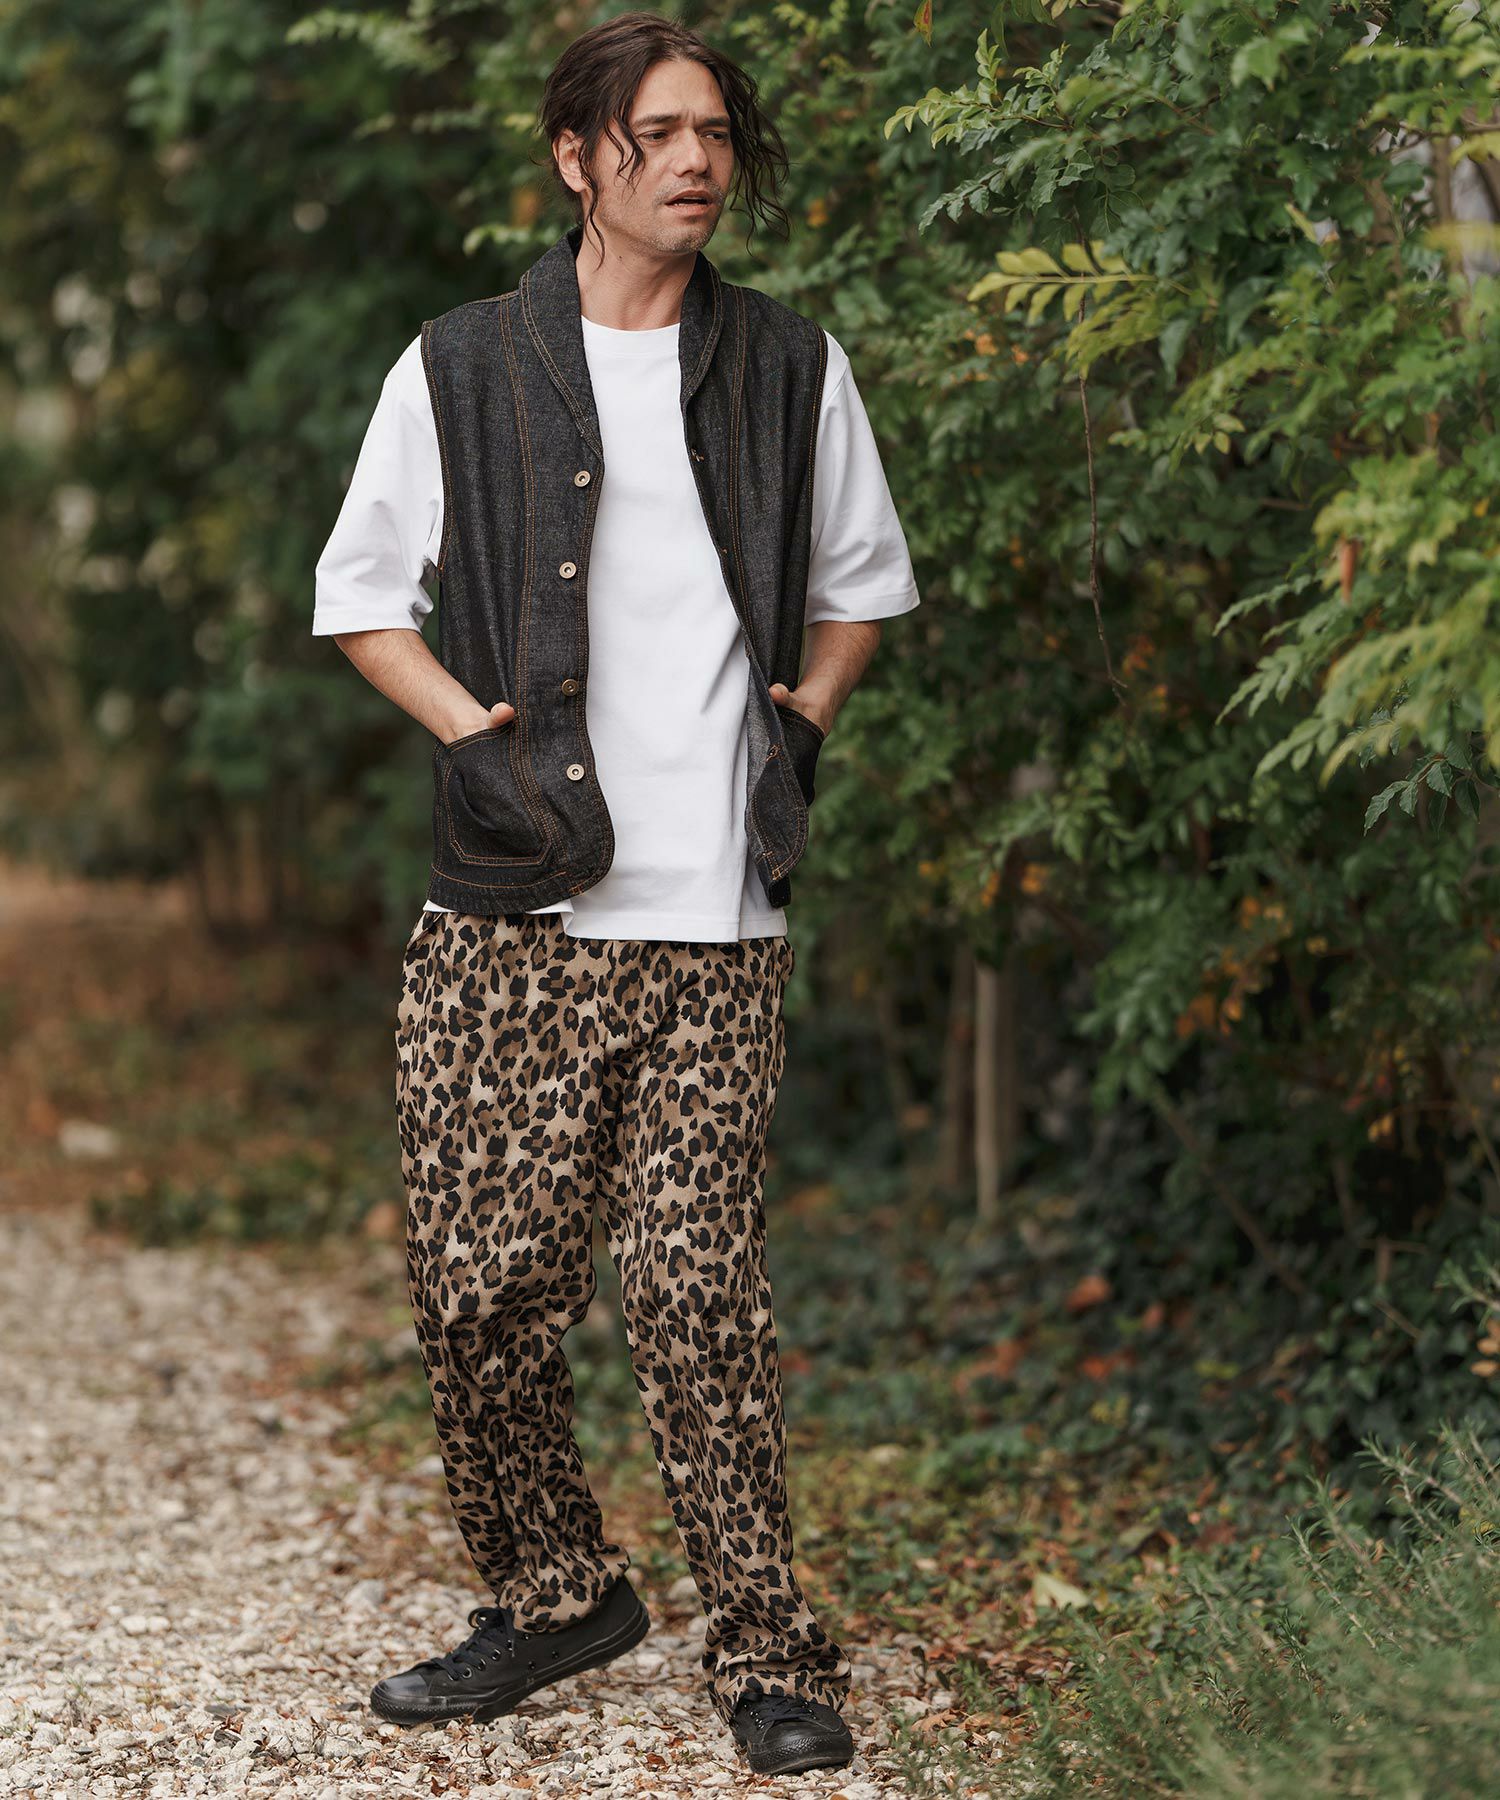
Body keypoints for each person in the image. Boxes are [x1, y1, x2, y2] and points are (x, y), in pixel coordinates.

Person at [311, 9, 920, 1779]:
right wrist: (470, 736)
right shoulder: (459, 365)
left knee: (693, 1286)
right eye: (658, 133)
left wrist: (803, 716)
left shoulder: (790, 365)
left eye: (715, 132)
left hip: (718, 916)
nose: (697, 161)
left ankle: (769, 1653)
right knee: (479, 1288)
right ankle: (556, 1590)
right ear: (578, 158)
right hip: (510, 909)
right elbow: (361, 598)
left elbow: (861, 584)